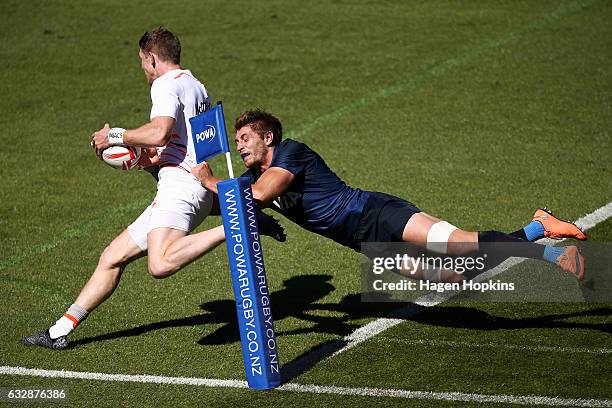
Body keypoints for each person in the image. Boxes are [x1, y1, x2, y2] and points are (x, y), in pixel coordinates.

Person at [22, 28, 283, 350]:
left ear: (151, 57)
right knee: (112, 257)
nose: (144, 71)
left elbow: (159, 132)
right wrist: (148, 159)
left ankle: (240, 222)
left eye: (142, 64)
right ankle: (57, 331)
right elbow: (184, 141)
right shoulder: (195, 84)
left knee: (159, 264)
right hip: (190, 183)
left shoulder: (164, 84)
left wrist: (115, 137)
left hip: (180, 188)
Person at [191, 109, 587, 283]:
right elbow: (227, 207)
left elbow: (259, 194)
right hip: (364, 240)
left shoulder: (290, 152)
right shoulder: (246, 179)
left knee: (460, 245)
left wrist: (210, 181)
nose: (240, 146)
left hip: (377, 213)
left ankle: (552, 252)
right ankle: (537, 226)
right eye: (238, 141)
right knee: (450, 275)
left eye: (246, 139)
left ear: (268, 137)